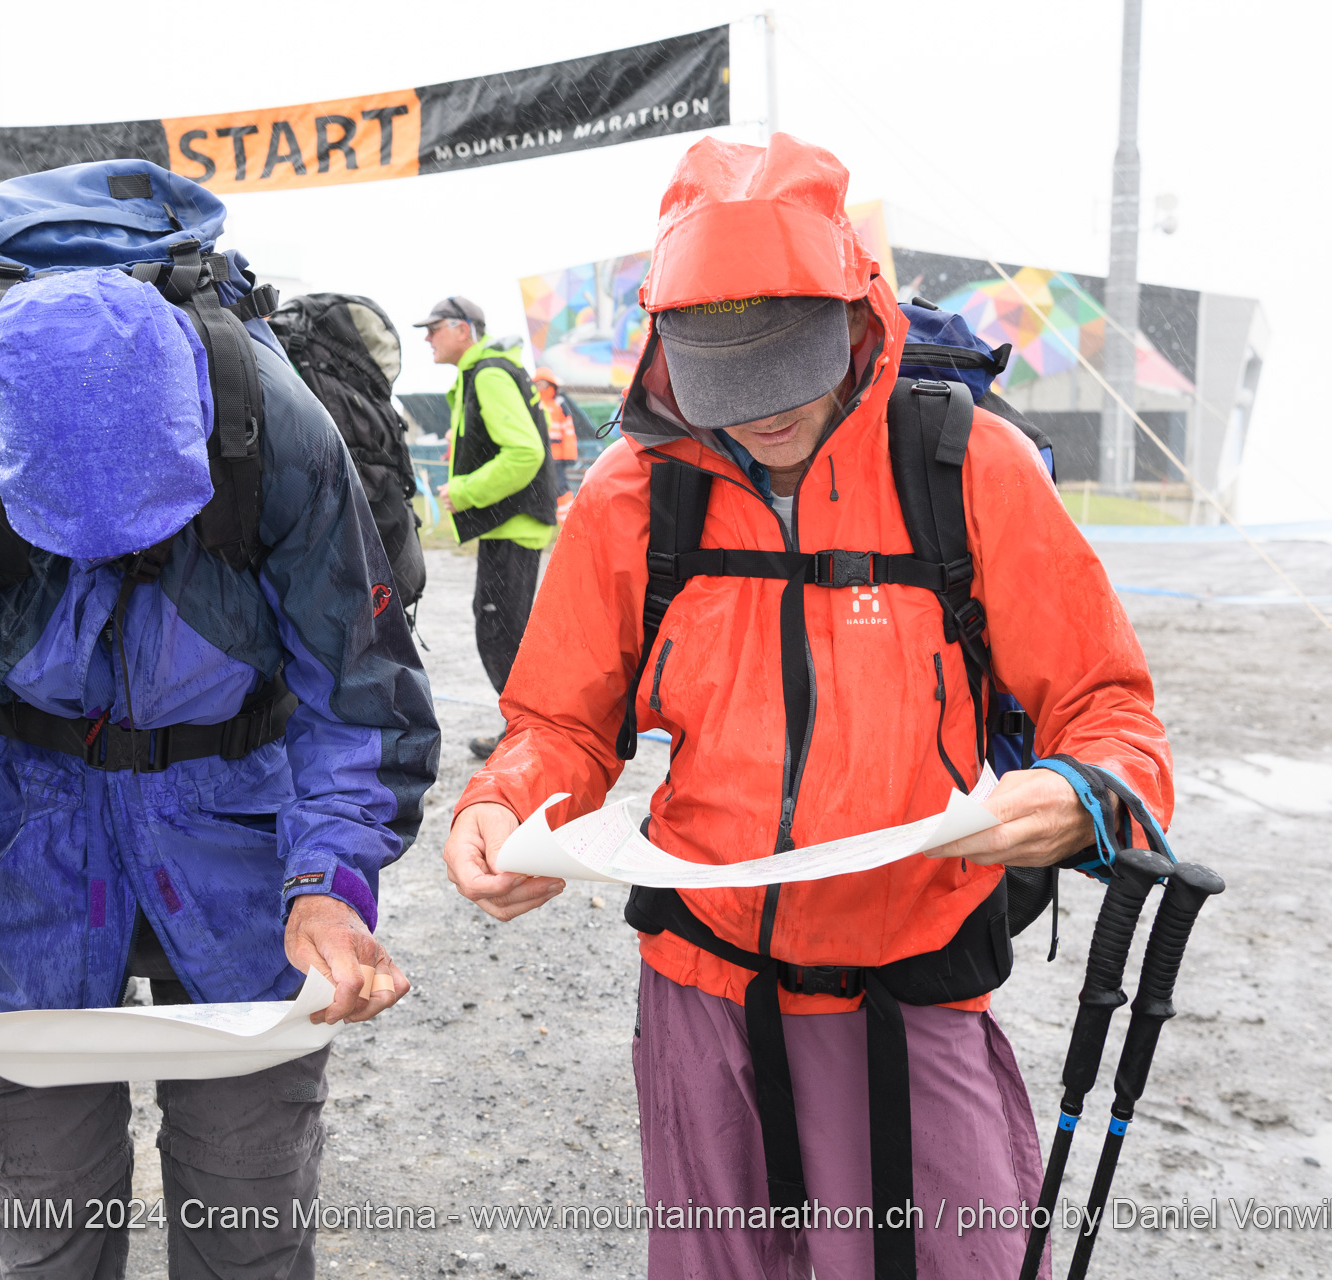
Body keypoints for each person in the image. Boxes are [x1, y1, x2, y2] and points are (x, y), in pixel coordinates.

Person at [442, 134, 1173, 1280]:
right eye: (726, 379)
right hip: (705, 987)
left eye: (790, 365)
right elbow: (564, 725)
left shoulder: (965, 468)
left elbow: (1109, 711)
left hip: (915, 976)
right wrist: (504, 801)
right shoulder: (636, 495)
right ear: (667, 347)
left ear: (854, 311)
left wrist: (1078, 793)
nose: (764, 413)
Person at [0, 257, 437, 1278]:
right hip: (22, 850)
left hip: (244, 850)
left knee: (249, 1227)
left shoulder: (281, 440)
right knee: (42, 1231)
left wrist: (331, 878)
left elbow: (357, 697)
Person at [419, 297, 557, 760]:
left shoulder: (490, 374)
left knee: (500, 635)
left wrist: (465, 491)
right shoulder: (486, 373)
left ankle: (528, 738)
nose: (426, 337)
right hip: (510, 526)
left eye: (433, 327)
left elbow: (524, 453)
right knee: (503, 632)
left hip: (512, 526)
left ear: (462, 330)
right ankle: (524, 732)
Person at [532, 366, 584, 492]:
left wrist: (569, 455)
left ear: (550, 384)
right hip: (538, 454)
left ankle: (562, 511)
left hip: (556, 456)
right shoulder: (533, 403)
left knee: (558, 488)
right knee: (540, 490)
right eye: (537, 384)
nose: (539, 387)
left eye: (542, 383)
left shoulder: (560, 404)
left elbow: (568, 432)